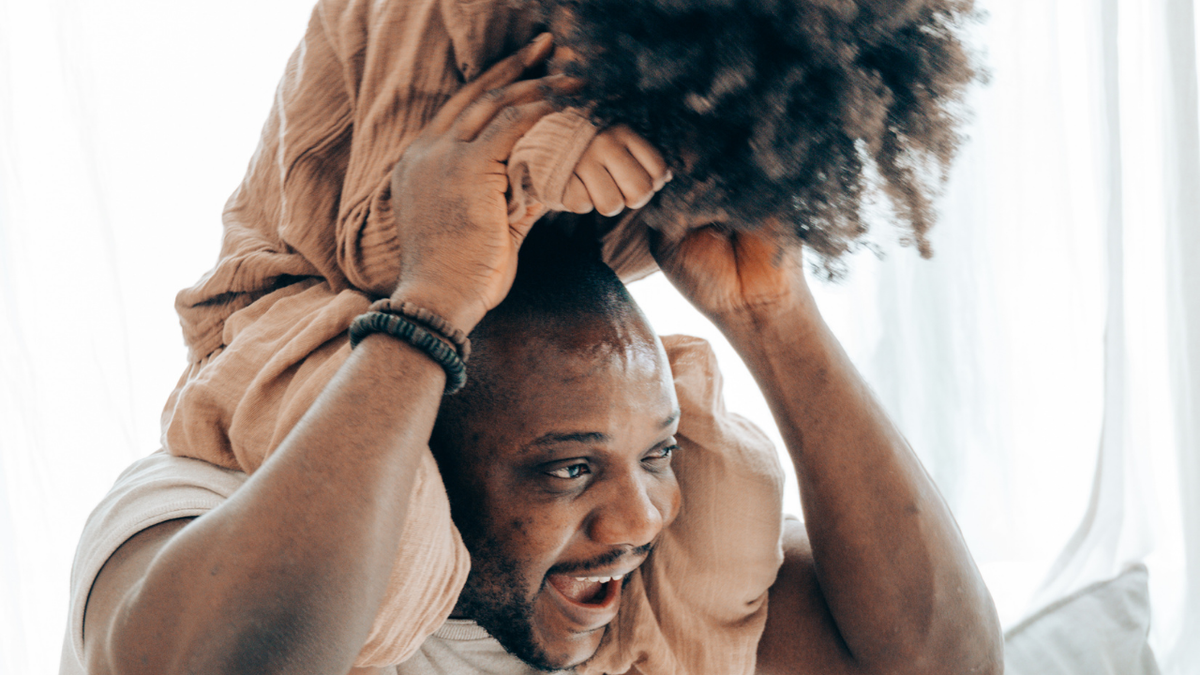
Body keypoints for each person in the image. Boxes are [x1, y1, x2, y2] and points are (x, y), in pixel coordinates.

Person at [63, 41, 1001, 673]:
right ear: (425, 445)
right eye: (567, 467)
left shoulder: (653, 599)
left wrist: (773, 313)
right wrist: (432, 300)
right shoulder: (187, 509)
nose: (640, 515)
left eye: (658, 453)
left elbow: (946, 660)